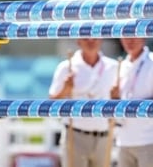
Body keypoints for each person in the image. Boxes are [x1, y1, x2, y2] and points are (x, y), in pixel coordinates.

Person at [48, 38, 119, 167]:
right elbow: (51, 103)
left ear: (101, 39)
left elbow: (121, 100)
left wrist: (116, 96)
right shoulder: (66, 66)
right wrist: (65, 89)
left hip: (104, 135)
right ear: (78, 41)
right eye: (86, 37)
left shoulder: (113, 66)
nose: (91, 40)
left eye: (95, 37)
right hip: (75, 134)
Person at [114, 37, 153, 167]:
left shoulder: (152, 61)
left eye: (133, 35)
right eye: (125, 36)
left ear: (143, 36)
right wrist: (114, 98)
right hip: (124, 141)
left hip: (149, 140)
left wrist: (132, 106)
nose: (129, 40)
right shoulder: (121, 65)